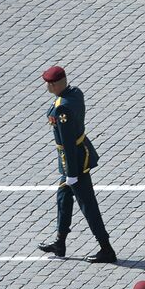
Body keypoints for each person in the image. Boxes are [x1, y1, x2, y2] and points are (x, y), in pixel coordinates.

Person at [38, 66, 116, 263]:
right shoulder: (75, 93)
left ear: (55, 84)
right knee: (63, 198)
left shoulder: (62, 107)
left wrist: (71, 172)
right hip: (75, 159)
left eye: (49, 83)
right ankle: (60, 242)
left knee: (88, 205)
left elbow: (68, 143)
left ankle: (106, 249)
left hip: (74, 163)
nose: (47, 86)